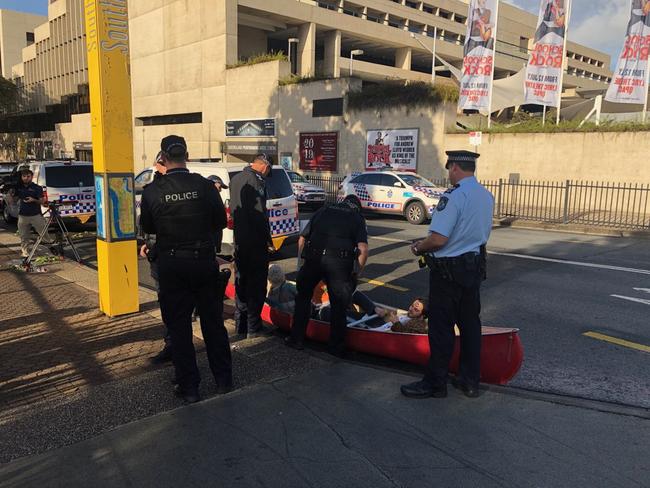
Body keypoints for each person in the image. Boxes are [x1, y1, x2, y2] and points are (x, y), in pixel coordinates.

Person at [140, 135, 232, 404]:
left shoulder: (152, 191)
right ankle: (223, 380)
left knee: (179, 328)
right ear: (187, 155)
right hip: (203, 262)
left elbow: (150, 227)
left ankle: (189, 387)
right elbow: (220, 223)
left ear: (162, 159)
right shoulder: (204, 187)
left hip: (171, 265)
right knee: (213, 323)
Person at [401, 150, 493, 399]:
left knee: (441, 330)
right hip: (473, 269)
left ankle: (435, 383)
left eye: (449, 169)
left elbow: (439, 239)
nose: (449, 174)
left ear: (454, 168)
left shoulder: (453, 197)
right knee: (470, 327)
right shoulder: (486, 196)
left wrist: (418, 246)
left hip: (448, 273)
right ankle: (470, 381)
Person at [285, 200, 369, 357]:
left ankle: (296, 339)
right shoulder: (356, 217)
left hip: (314, 259)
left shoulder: (323, 210)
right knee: (339, 306)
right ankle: (335, 347)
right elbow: (363, 249)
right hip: (339, 264)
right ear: (357, 207)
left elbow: (302, 239)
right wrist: (357, 272)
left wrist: (302, 263)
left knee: (303, 298)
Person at [229, 154, 275, 339]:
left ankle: (240, 326)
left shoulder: (237, 178)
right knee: (256, 286)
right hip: (255, 242)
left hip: (240, 240)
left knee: (242, 283)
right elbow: (259, 215)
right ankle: (254, 328)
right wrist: (268, 240)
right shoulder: (256, 182)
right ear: (265, 166)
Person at [140, 152, 173, 364]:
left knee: (169, 305)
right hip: (192, 256)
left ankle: (173, 346)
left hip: (165, 257)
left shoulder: (154, 190)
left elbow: (149, 225)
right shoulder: (197, 184)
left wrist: (149, 247)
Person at [6, 167, 54, 258]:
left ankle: (51, 249)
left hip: (36, 215)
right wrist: (10, 196)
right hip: (23, 216)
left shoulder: (37, 188)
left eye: (28, 176)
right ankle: (25, 252)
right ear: (22, 177)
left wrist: (33, 200)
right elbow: (14, 201)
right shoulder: (18, 188)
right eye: (24, 176)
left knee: (44, 234)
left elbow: (42, 202)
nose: (26, 178)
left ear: (32, 177)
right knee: (24, 236)